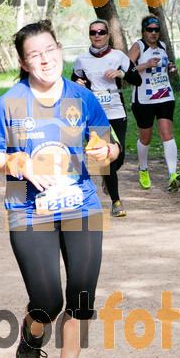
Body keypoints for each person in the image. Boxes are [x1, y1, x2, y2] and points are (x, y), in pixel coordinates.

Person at [0, 20, 120, 358]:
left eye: (50, 50)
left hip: (80, 205)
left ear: (60, 49)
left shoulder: (83, 98)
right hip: (29, 211)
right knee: (48, 302)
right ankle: (32, 330)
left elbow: (111, 147)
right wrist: (18, 165)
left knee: (82, 296)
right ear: (24, 63)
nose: (45, 59)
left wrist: (105, 152)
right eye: (34, 55)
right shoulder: (10, 102)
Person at [71, 19, 141, 217]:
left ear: (108, 35)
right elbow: (73, 82)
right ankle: (116, 201)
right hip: (95, 117)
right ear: (90, 35)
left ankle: (106, 177)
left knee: (119, 158)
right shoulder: (82, 60)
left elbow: (137, 79)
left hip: (117, 112)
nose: (97, 35)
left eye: (101, 32)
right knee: (106, 158)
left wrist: (120, 73)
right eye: (93, 32)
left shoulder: (119, 56)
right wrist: (78, 83)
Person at [127, 15, 180, 192]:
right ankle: (143, 169)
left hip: (165, 96)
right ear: (143, 31)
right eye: (149, 29)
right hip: (143, 99)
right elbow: (126, 70)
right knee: (146, 138)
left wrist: (171, 69)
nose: (153, 33)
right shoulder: (139, 46)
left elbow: (164, 67)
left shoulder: (163, 47)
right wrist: (145, 65)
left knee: (167, 134)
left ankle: (173, 174)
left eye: (156, 30)